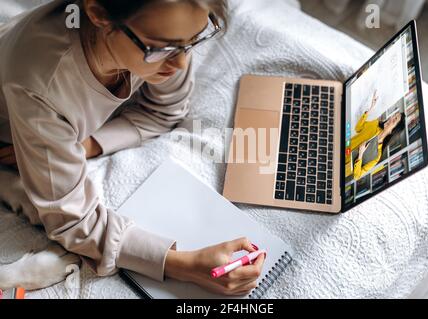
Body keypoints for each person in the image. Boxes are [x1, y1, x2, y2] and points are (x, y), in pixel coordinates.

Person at [0, 0, 265, 295]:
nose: (180, 63)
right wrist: (184, 264)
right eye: (161, 48)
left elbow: (165, 112)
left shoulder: (164, 37)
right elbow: (74, 223)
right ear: (98, 13)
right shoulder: (41, 85)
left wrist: (91, 144)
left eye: (194, 40)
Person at [350, 92, 405, 180]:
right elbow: (358, 128)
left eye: (394, 120)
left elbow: (357, 176)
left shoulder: (377, 155)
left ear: (392, 131)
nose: (390, 118)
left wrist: (360, 155)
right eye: (393, 116)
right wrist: (370, 108)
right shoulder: (375, 123)